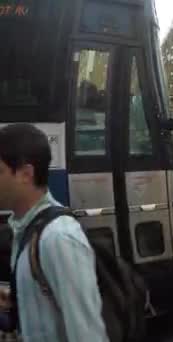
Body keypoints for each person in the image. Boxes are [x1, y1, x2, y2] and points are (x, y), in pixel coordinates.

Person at [0, 124, 108, 342]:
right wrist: (18, 298)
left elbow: (88, 335)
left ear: (25, 174)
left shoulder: (58, 239)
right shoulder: (24, 228)